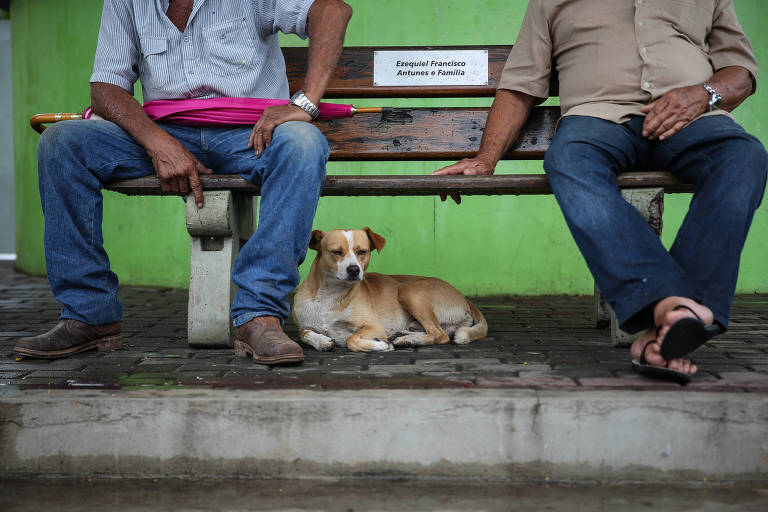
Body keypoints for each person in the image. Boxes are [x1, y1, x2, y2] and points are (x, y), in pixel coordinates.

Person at [433, 0, 767, 382]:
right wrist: (486, 158)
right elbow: (521, 85)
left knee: (743, 155)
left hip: (693, 116)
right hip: (598, 118)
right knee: (568, 160)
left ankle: (669, 316)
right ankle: (674, 308)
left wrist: (704, 93)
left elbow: (740, 73)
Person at [14, 0, 353, 365]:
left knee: (303, 142)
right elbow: (106, 89)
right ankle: (88, 314)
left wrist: (306, 102)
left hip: (251, 134)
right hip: (161, 133)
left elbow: (332, 10)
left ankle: (260, 314)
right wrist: (159, 143)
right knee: (61, 143)